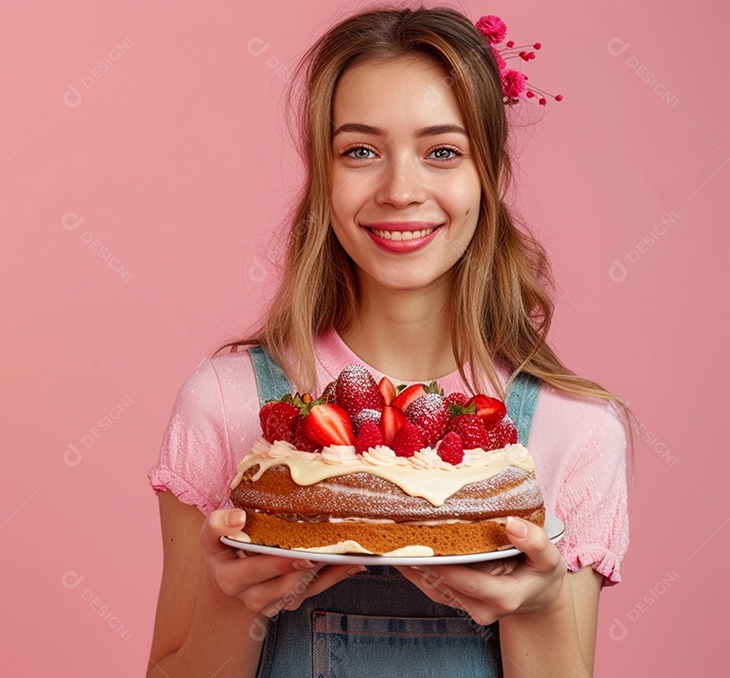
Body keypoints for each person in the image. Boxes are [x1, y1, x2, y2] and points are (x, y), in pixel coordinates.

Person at [146, 7, 629, 677]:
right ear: (322, 174)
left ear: (489, 175)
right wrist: (233, 608)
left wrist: (539, 608)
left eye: (443, 152)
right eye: (361, 151)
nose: (401, 191)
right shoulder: (225, 404)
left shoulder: (577, 429)